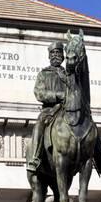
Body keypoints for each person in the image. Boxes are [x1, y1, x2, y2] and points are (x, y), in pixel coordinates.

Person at [27, 41, 66, 173]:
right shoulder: (43, 74)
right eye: (53, 53)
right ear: (49, 56)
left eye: (58, 52)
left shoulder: (69, 75)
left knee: (90, 126)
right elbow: (39, 93)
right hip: (50, 110)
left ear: (63, 55)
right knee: (39, 126)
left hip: (68, 109)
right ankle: (35, 157)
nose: (55, 55)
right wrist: (57, 95)